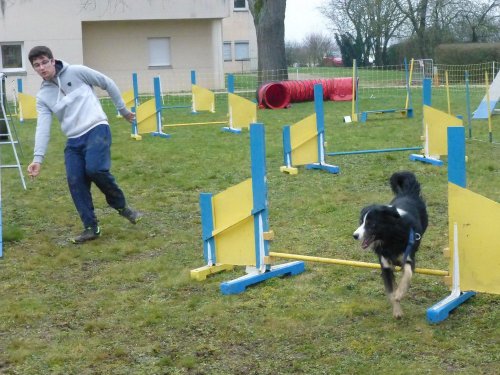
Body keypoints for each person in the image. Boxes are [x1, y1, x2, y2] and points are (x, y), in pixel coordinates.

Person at [27, 46, 142, 244]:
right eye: (37, 65)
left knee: (95, 169)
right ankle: (91, 227)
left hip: (96, 128)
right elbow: (42, 127)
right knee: (75, 180)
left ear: (53, 61)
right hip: (74, 140)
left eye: (45, 62)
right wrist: (38, 158)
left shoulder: (77, 72)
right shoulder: (43, 97)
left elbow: (107, 83)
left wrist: (123, 111)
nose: (42, 68)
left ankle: (122, 207)